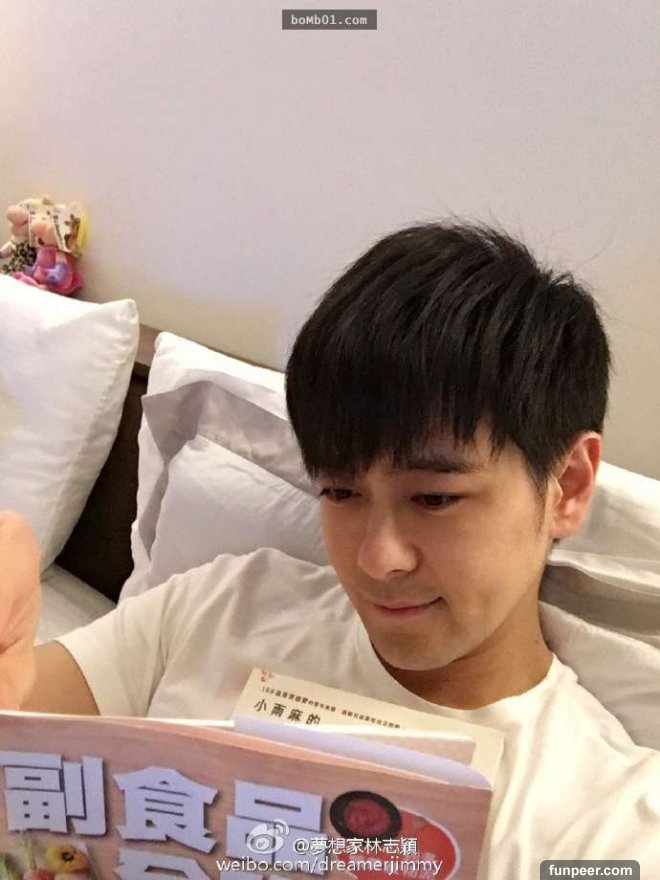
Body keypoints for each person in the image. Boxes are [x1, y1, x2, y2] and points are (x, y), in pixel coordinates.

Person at [2, 221, 659, 878]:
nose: (378, 558)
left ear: (568, 486)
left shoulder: (606, 823)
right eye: (341, 492)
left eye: (435, 498)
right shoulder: (222, 604)